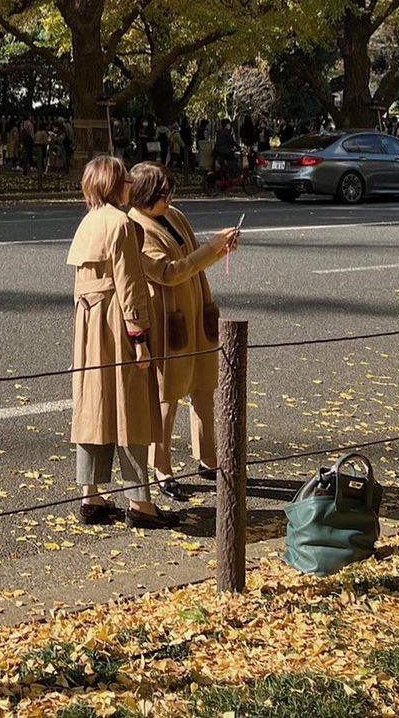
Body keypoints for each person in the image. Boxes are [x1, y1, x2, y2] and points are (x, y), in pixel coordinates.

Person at [66, 154, 176, 530]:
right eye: (126, 178)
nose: (131, 184)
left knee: (92, 407)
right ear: (115, 185)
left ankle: (90, 495)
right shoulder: (121, 224)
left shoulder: (88, 222)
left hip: (88, 325)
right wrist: (140, 337)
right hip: (116, 324)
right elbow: (130, 288)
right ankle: (140, 503)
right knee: (132, 408)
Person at [128, 162, 239, 499]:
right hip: (168, 316)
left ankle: (208, 459)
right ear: (144, 195)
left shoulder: (174, 215)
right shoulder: (135, 227)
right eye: (162, 194)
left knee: (204, 385)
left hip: (195, 307)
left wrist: (219, 249)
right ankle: (161, 467)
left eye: (169, 192)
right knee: (168, 393)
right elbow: (167, 272)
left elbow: (193, 258)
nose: (169, 199)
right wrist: (213, 249)